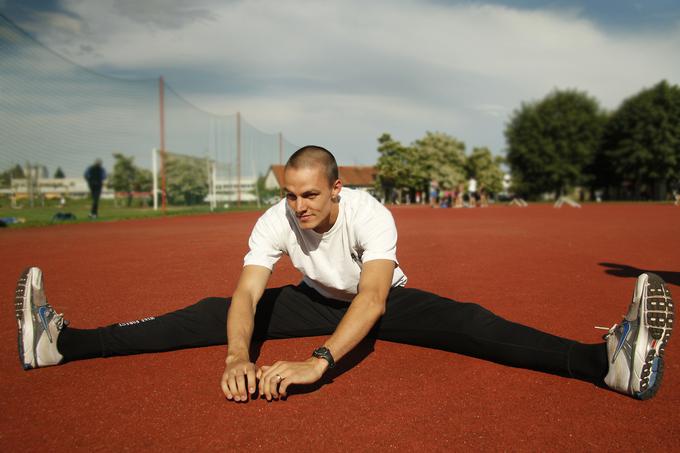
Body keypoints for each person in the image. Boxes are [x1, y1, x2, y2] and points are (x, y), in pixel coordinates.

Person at [15, 146, 674, 402]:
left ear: (335, 188)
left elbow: (376, 294)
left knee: (471, 324)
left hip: (379, 300)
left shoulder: (371, 214)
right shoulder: (278, 218)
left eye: (310, 195)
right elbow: (246, 292)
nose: (298, 208)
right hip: (312, 299)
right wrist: (237, 354)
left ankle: (605, 362)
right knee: (204, 311)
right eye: (290, 195)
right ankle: (60, 344)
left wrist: (318, 361)